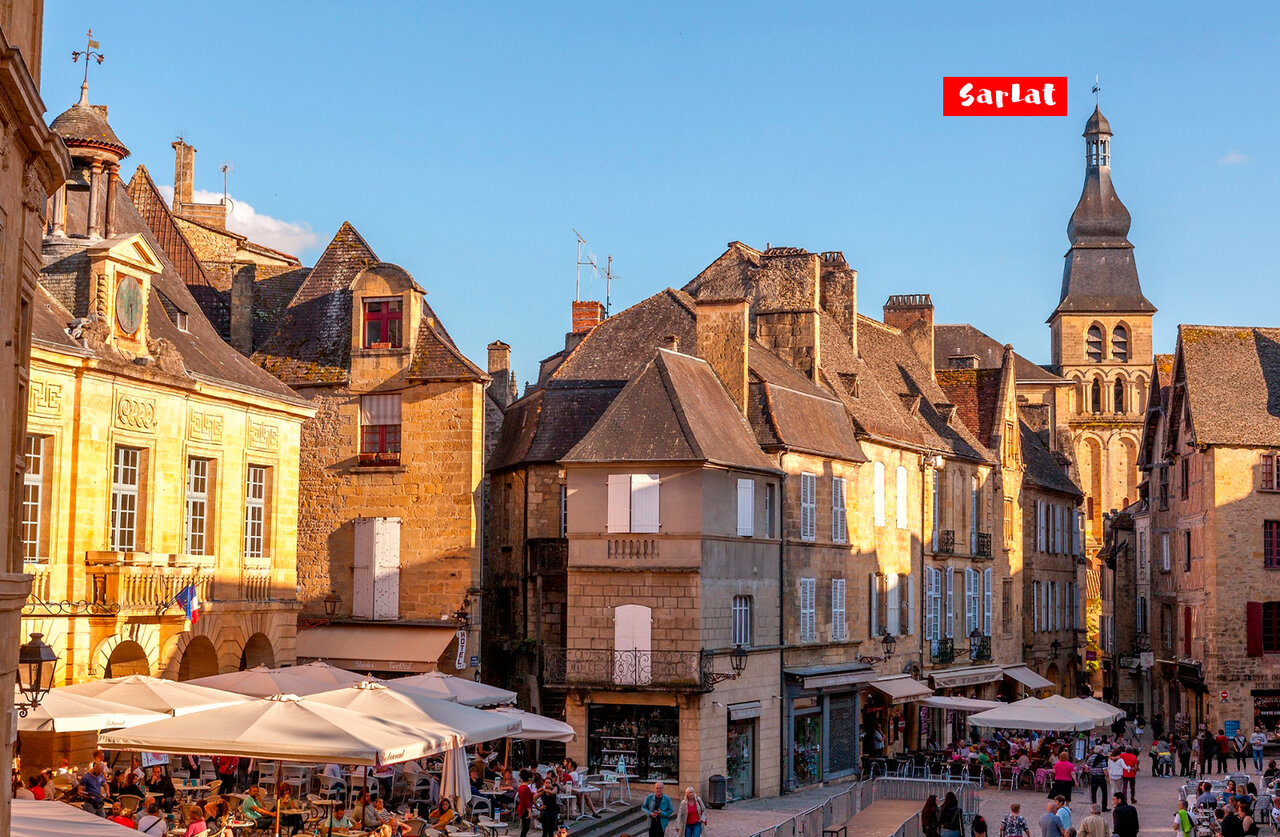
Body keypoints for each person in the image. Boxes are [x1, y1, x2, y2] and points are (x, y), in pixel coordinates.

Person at [517, 769, 536, 837]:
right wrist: (529, 812)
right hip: (525, 809)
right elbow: (527, 802)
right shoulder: (526, 788)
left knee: (525, 828)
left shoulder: (521, 787)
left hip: (522, 807)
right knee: (525, 828)